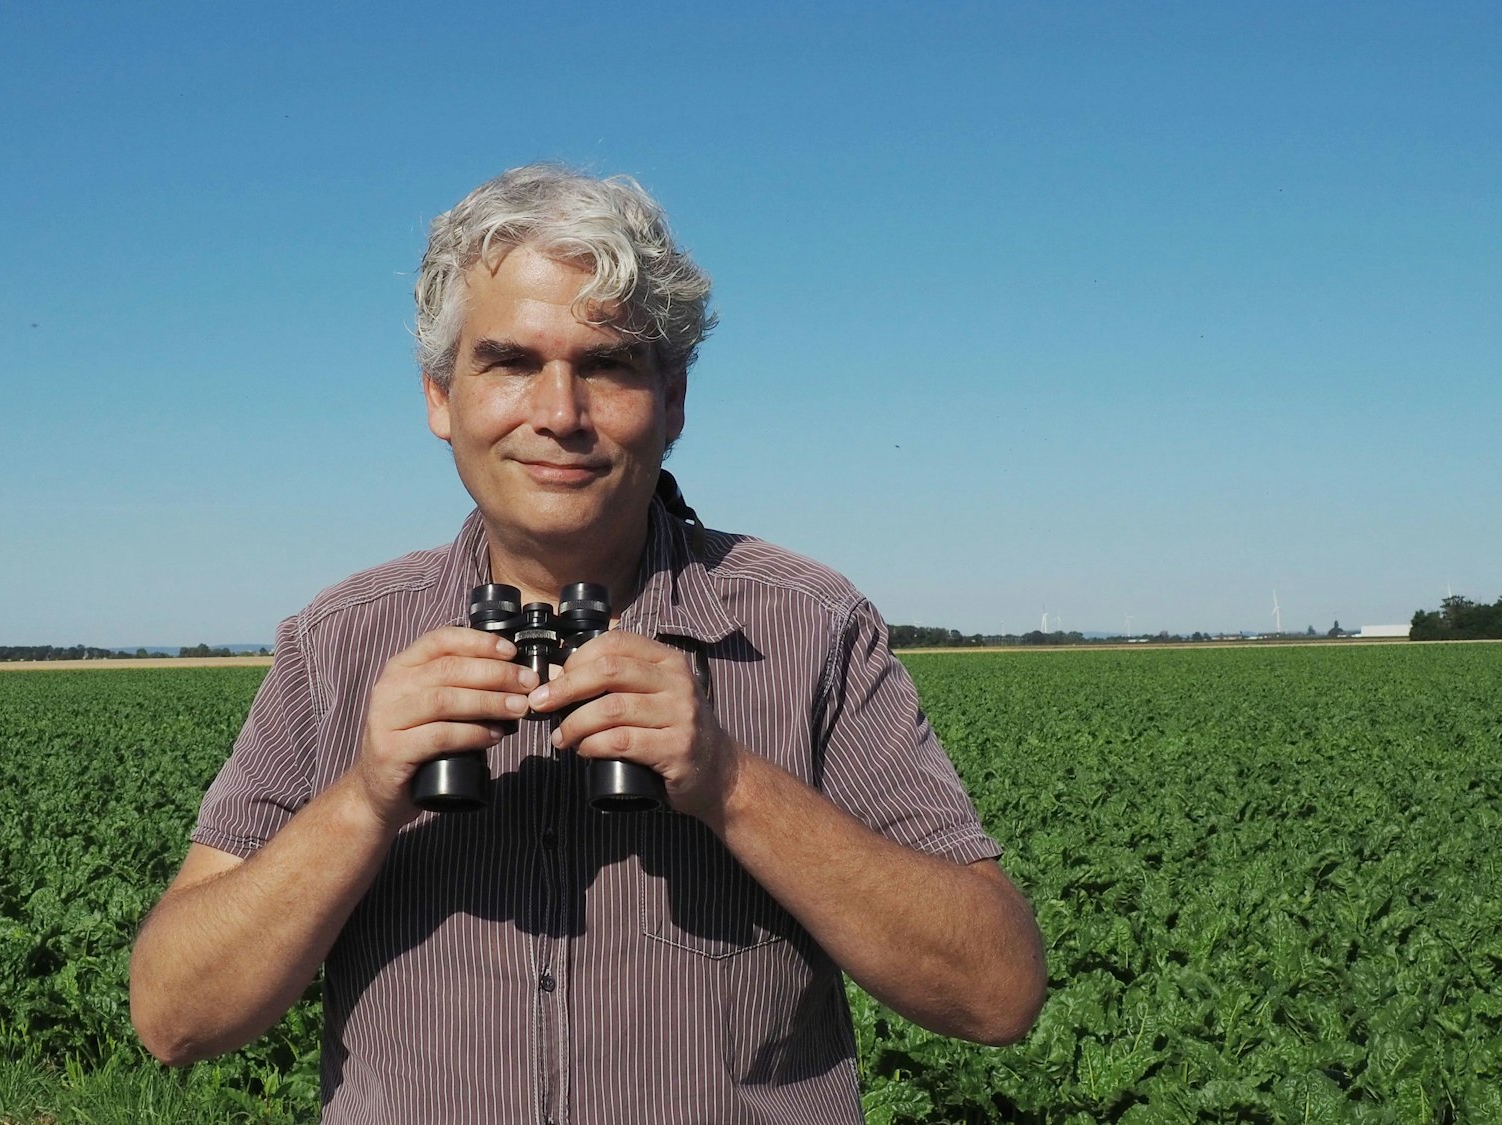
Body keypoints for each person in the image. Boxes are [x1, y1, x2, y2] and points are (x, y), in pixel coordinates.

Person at [129, 164, 1046, 1124]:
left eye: (606, 365)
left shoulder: (810, 628)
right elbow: (175, 1016)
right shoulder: (339, 643)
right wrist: (361, 801)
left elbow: (996, 990)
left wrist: (730, 782)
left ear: (673, 399)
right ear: (442, 398)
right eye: (511, 362)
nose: (559, 414)